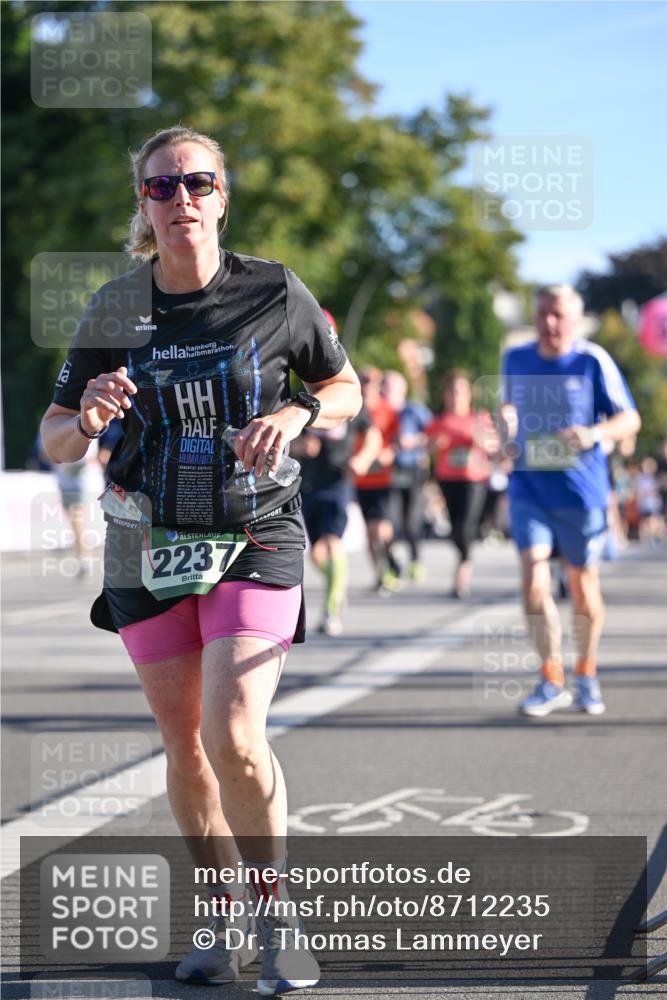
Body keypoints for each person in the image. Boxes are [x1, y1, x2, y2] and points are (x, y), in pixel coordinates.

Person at [40, 125, 362, 993]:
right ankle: (222, 917)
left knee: (234, 736)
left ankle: (278, 915)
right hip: (146, 544)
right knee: (185, 748)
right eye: (161, 187)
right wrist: (88, 415)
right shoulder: (115, 308)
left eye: (197, 183)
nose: (180, 198)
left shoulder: (274, 290)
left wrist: (296, 414)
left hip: (255, 532)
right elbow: (56, 435)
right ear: (144, 206)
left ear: (222, 197)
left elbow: (344, 387)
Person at [501, 284, 641, 718]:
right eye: (543, 312)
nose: (549, 322)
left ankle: (587, 671)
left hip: (581, 492)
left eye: (558, 314)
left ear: (576, 320)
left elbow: (629, 419)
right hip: (529, 487)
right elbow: (508, 407)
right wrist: (504, 428)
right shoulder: (515, 358)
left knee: (582, 586)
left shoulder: (592, 360)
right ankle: (551, 677)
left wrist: (594, 433)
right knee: (534, 578)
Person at [291, 310, 378, 636]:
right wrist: (299, 446)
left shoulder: (344, 385)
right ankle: (337, 584)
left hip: (338, 480)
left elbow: (371, 433)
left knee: (331, 541)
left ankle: (331, 610)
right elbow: (284, 434)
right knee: (317, 553)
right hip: (308, 481)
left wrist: (363, 460)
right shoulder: (296, 386)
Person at [428, 370, 497, 598]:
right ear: (446, 396)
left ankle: (462, 575)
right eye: (452, 392)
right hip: (448, 479)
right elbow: (427, 446)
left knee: (467, 526)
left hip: (473, 479)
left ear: (469, 395)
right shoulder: (440, 421)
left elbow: (494, 444)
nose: (456, 396)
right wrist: (436, 445)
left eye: (461, 391)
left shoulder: (479, 418)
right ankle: (463, 559)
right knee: (455, 529)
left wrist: (479, 440)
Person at [353, 368, 402, 594]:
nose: (367, 387)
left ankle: (389, 554)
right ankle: (380, 574)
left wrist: (390, 452)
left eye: (371, 383)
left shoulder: (387, 410)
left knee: (380, 529)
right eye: (364, 382)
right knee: (370, 531)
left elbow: (397, 440)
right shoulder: (352, 408)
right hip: (361, 480)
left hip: (383, 478)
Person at [381, 370, 432, 582]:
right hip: (388, 472)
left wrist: (413, 441)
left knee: (412, 520)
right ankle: (391, 564)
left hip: (412, 470)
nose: (386, 392)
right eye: (384, 387)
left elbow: (433, 435)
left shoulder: (414, 410)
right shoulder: (379, 412)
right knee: (388, 522)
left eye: (390, 388)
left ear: (402, 390)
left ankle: (415, 559)